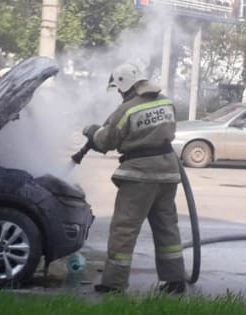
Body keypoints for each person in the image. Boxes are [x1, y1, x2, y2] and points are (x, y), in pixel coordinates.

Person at [82, 63, 186, 294]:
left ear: (124, 84)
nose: (118, 93)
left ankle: (113, 283)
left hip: (140, 176)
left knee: (124, 229)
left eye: (118, 88)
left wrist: (92, 131)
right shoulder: (166, 102)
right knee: (167, 227)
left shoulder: (126, 110)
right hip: (167, 173)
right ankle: (176, 280)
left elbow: (106, 141)